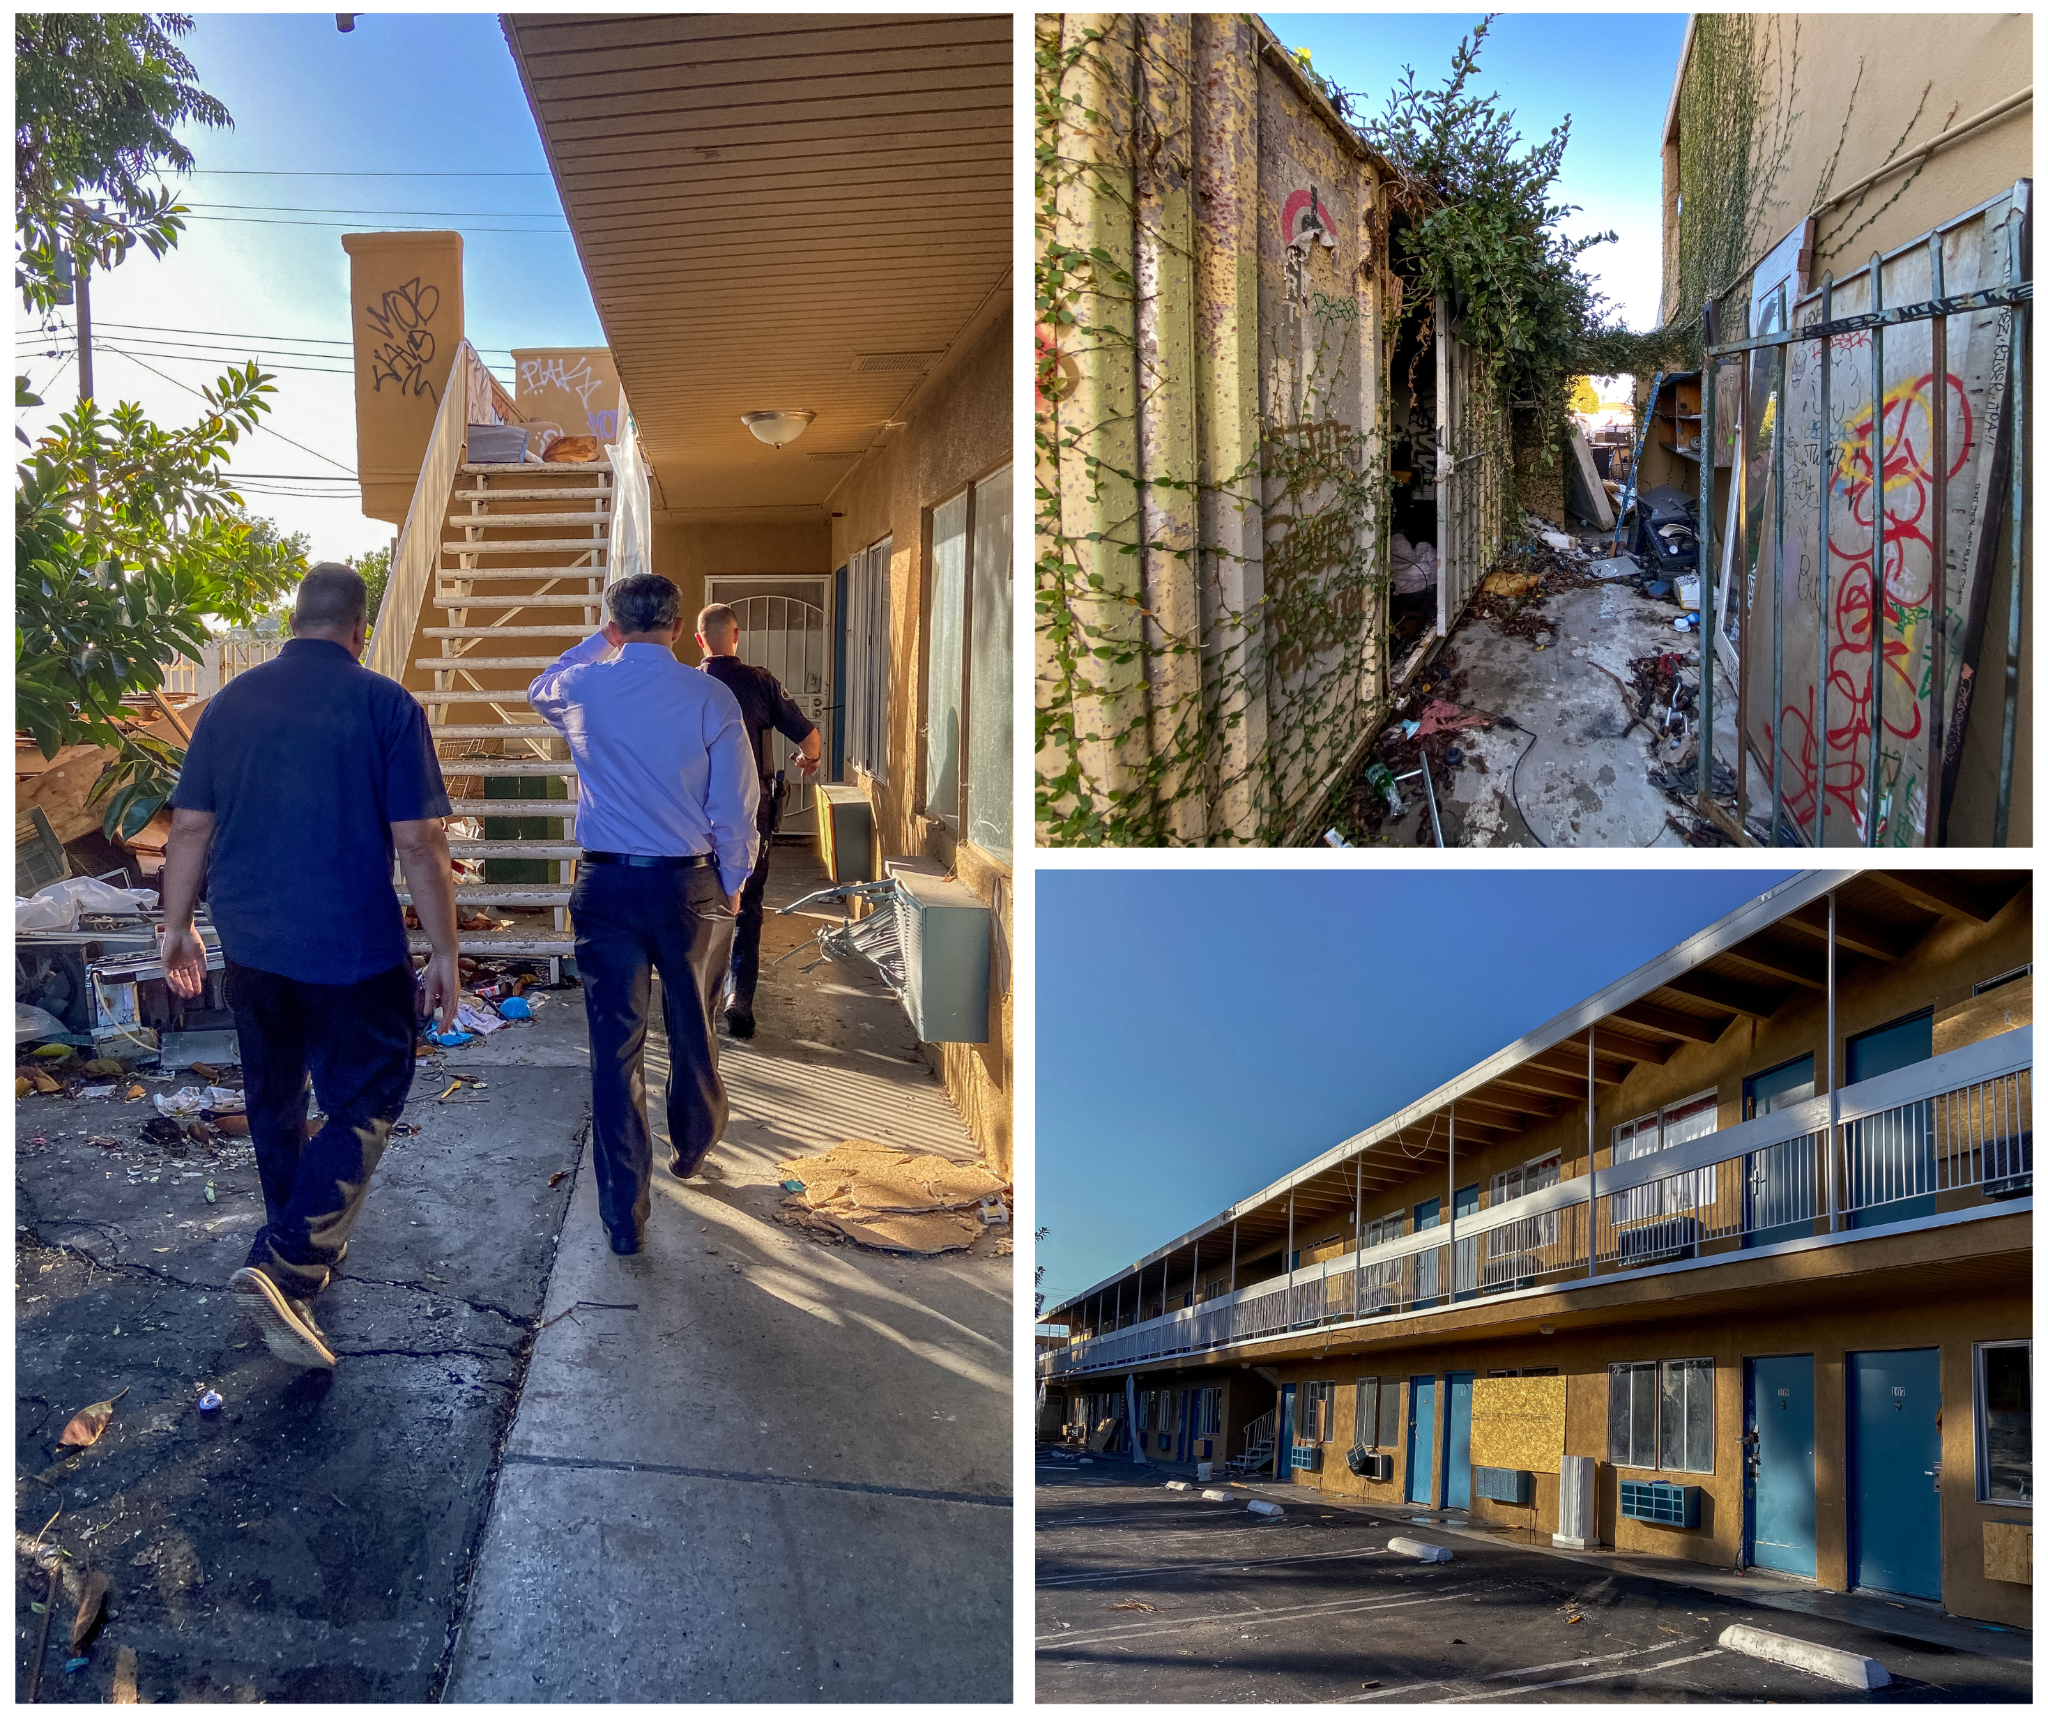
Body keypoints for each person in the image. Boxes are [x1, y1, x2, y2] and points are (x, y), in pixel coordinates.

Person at [160, 563, 460, 1370]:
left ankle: (294, 1239)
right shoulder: (385, 704)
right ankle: (289, 1260)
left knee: (276, 1095)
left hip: (252, 941)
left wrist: (176, 926)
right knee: (371, 1091)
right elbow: (420, 844)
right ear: (359, 628)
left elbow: (189, 829)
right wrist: (444, 950)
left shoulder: (229, 703)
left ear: (294, 619)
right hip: (352, 947)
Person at [528, 574, 759, 1255]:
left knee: (613, 1052)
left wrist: (603, 641)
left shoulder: (583, 686)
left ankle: (623, 1218)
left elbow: (543, 682)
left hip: (604, 886)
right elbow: (734, 803)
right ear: (678, 622)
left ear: (617, 624)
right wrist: (736, 879)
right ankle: (693, 1144)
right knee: (694, 1024)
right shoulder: (710, 696)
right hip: (688, 886)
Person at [695, 602, 821, 1040]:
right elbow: (809, 736)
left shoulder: (689, 684)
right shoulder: (761, 683)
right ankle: (739, 998)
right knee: (747, 902)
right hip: (752, 812)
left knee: (696, 902)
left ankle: (697, 996)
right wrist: (810, 758)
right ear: (737, 635)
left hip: (693, 812)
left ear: (698, 640)